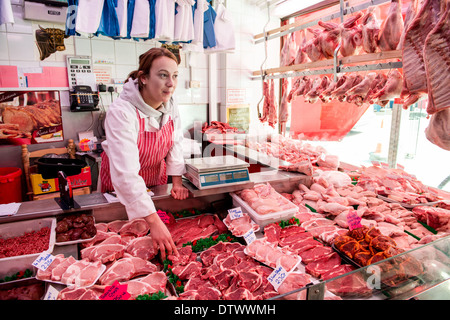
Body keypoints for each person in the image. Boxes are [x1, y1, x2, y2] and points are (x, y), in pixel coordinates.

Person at [100, 47, 189, 259]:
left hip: (154, 180)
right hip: (120, 187)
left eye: (175, 76)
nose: (171, 83)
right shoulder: (122, 112)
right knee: (123, 241)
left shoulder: (171, 105)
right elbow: (126, 174)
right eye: (163, 75)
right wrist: (153, 220)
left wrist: (176, 181)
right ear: (143, 78)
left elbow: (175, 142)